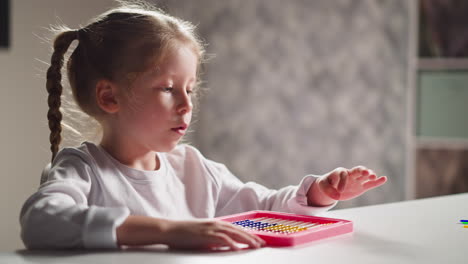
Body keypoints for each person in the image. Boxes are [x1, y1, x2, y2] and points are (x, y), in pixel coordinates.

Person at [20, 1, 387, 251]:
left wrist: (319, 194)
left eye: (190, 89)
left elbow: (262, 209)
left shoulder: (193, 168)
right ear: (109, 97)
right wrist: (168, 230)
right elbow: (40, 221)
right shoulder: (83, 170)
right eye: (167, 89)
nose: (186, 104)